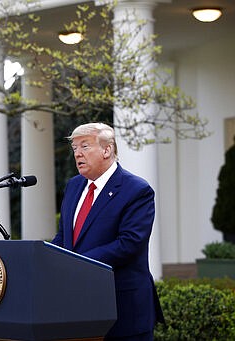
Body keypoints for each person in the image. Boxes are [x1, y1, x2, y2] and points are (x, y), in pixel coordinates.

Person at [51, 122, 164, 340]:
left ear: (107, 149)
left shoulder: (137, 190)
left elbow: (128, 244)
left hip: (122, 310)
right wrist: (44, 257)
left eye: (85, 146)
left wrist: (75, 263)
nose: (78, 154)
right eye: (74, 148)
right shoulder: (74, 186)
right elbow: (64, 237)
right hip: (78, 309)